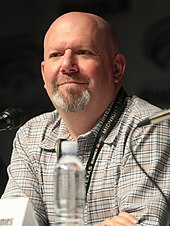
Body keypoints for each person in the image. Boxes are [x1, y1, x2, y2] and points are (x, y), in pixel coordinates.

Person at [1, 11, 170, 226]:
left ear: (116, 68)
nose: (67, 65)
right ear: (44, 73)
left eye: (83, 52)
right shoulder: (30, 136)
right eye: (56, 55)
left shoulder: (149, 127)